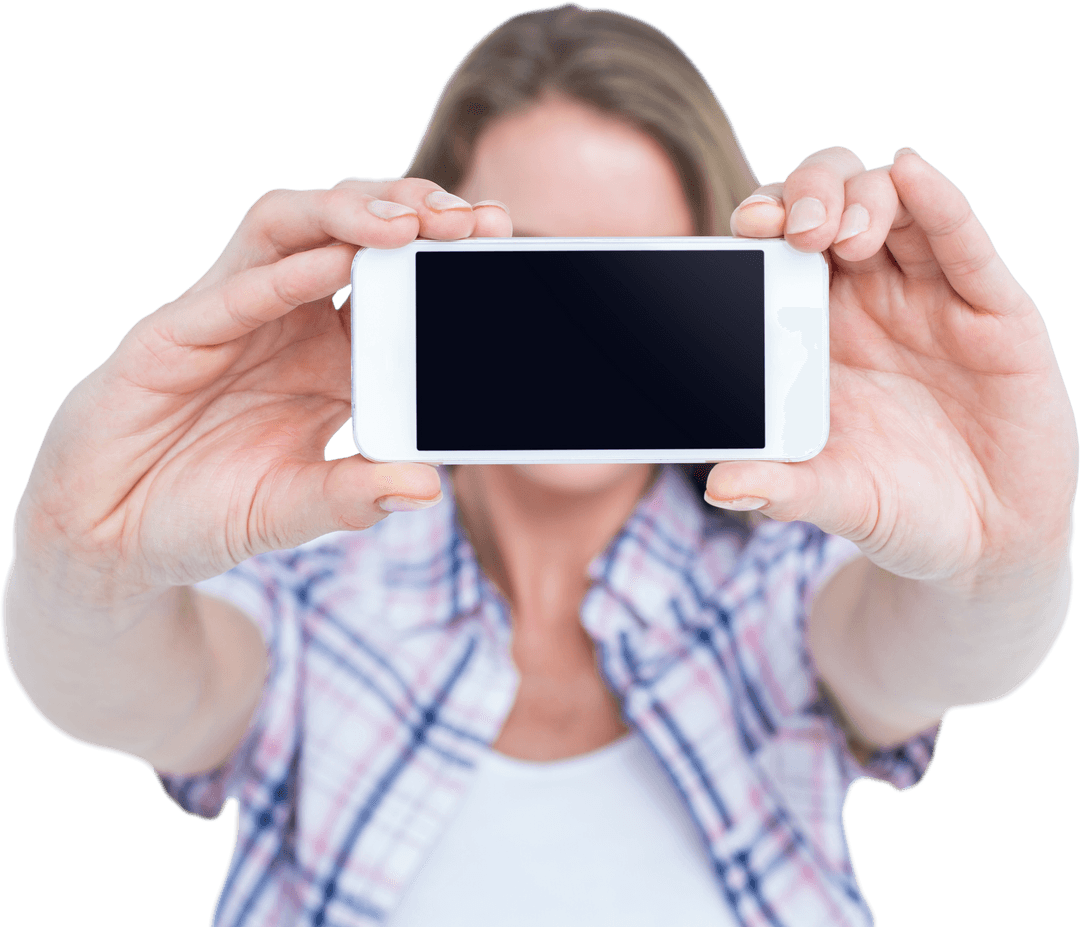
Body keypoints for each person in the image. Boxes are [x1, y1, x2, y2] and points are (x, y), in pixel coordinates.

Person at [3, 3, 1075, 925]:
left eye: (636, 285)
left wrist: (1005, 558)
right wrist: (77, 560)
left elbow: (952, 645)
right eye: (535, 276)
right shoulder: (310, 601)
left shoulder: (784, 588)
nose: (586, 332)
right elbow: (104, 681)